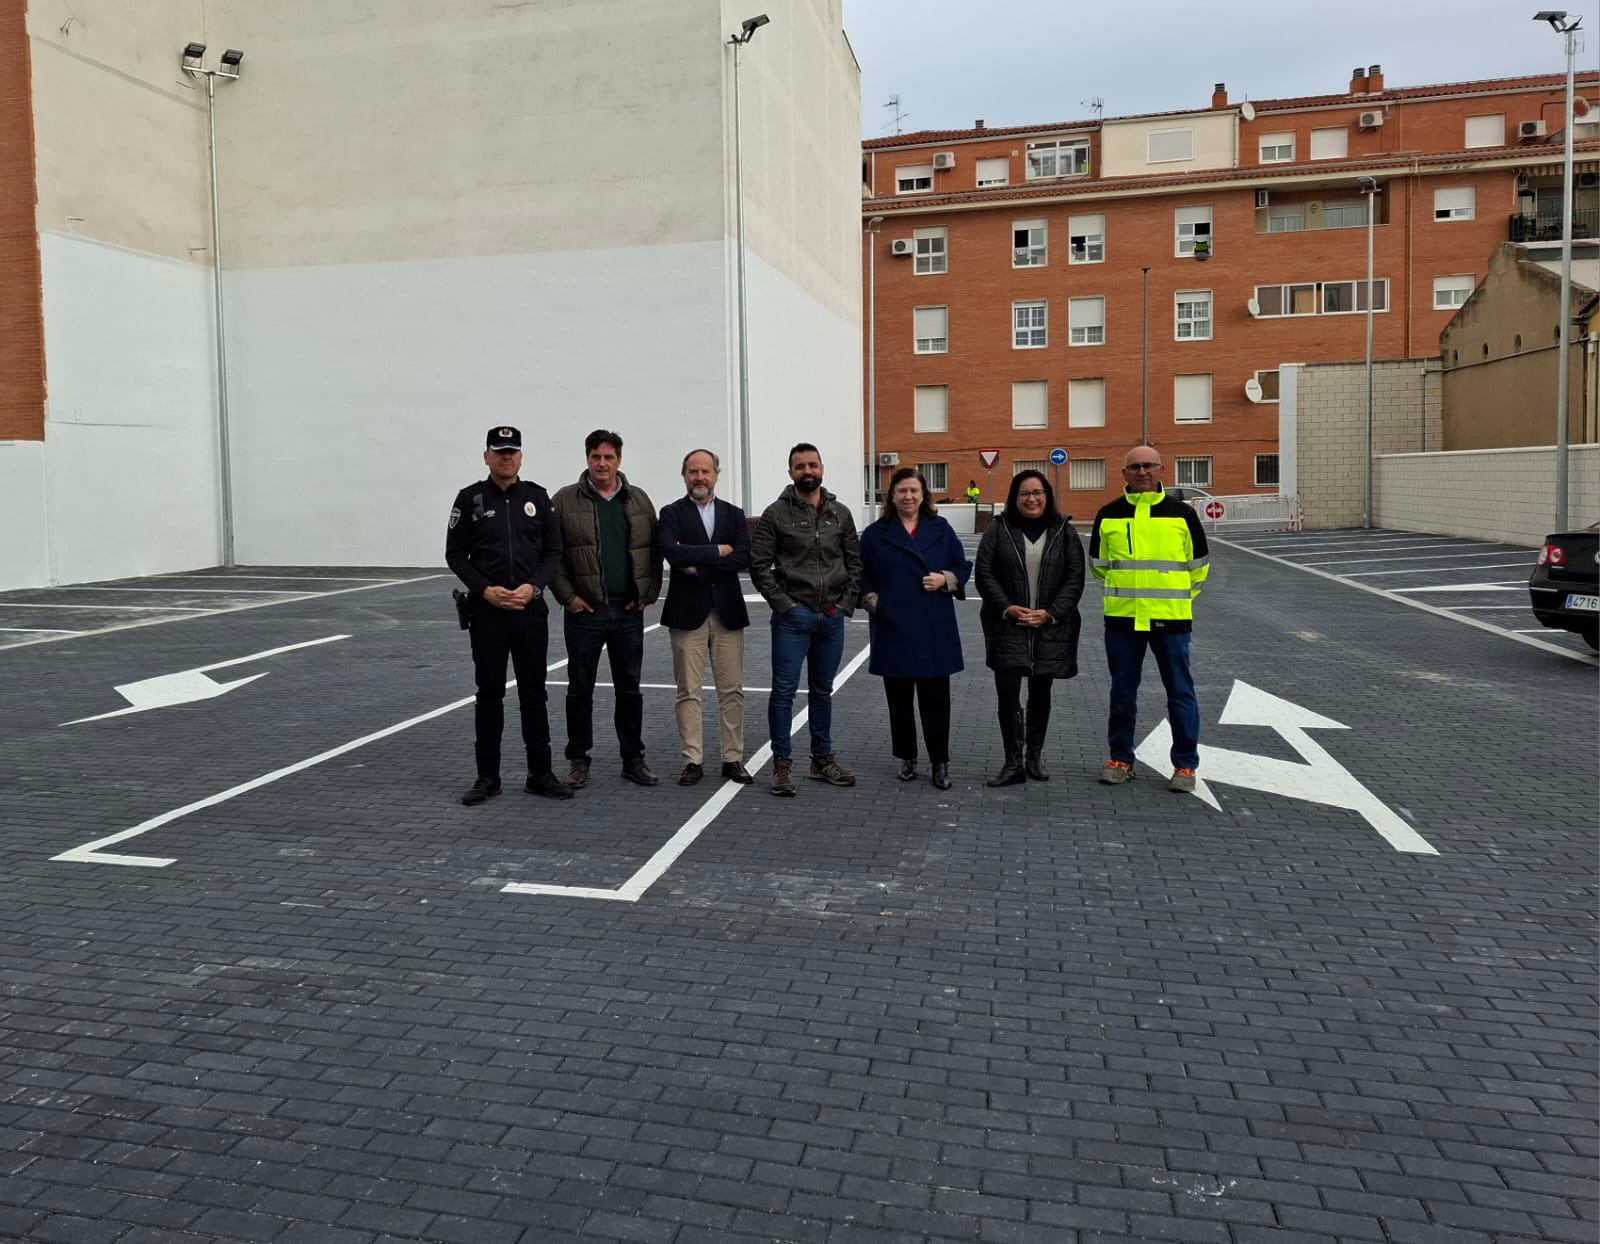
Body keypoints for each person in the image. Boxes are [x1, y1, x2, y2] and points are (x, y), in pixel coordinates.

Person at [445, 425, 575, 805]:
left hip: (529, 612)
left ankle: (540, 774)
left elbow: (554, 551)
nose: (506, 457)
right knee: (489, 696)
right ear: (486, 456)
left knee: (534, 695)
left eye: (512, 451)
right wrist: (484, 590)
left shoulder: (537, 498)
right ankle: (488, 777)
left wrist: (532, 588)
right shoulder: (469, 499)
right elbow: (454, 554)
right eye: (499, 451)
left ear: (521, 456)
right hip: (488, 614)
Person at [1089, 445, 1210, 793]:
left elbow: (1199, 567)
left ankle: (1185, 766)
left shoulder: (1182, 514)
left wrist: (1178, 600)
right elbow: (1098, 566)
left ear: (1161, 470)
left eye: (1149, 466)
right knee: (1122, 693)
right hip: (1124, 620)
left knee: (1180, 694)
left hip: (1170, 621)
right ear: (1124, 473)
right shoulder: (1108, 513)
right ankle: (1120, 759)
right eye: (1135, 467)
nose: (1142, 472)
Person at [550, 429, 662, 788]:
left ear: (619, 460)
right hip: (585, 613)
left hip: (628, 612)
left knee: (629, 689)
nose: (602, 463)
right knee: (579, 690)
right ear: (587, 459)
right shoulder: (565, 500)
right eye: (596, 456)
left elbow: (654, 553)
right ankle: (579, 760)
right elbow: (552, 555)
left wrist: (648, 593)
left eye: (609, 457)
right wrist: (569, 597)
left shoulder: (639, 500)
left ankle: (633, 759)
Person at [750, 442, 863, 797]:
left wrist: (844, 605)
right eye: (799, 466)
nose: (807, 471)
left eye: (812, 464)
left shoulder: (840, 513)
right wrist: (785, 605)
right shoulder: (775, 514)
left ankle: (821, 759)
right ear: (790, 473)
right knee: (783, 693)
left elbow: (854, 563)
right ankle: (782, 765)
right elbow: (759, 566)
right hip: (792, 619)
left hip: (830, 617)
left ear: (822, 469)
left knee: (822, 691)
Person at [859, 467, 971, 790]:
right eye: (902, 491)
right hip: (894, 624)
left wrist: (945, 579)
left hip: (934, 623)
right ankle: (907, 757)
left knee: (937, 700)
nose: (908, 496)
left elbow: (963, 566)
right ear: (891, 496)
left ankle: (940, 762)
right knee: (899, 700)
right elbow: (861, 575)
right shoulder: (875, 534)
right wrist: (874, 601)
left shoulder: (941, 528)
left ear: (924, 495)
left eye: (914, 491)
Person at [973, 470, 1085, 786]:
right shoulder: (998, 530)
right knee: (1007, 695)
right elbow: (984, 574)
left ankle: (1033, 758)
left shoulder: (1064, 532)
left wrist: (1050, 614)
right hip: (1007, 626)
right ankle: (1013, 763)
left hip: (1048, 628)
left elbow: (1075, 579)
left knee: (1041, 693)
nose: (1031, 499)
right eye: (1024, 493)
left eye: (1037, 492)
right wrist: (1007, 608)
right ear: (1014, 497)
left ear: (1047, 496)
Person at [657, 448, 754, 786]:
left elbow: (743, 556)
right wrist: (716, 551)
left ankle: (733, 758)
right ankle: (693, 760)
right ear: (684, 475)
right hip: (687, 615)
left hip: (727, 613)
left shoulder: (734, 514)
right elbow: (672, 551)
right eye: (693, 471)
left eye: (705, 471)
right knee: (688, 691)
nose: (699, 477)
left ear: (716, 474)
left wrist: (697, 566)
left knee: (732, 690)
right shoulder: (670, 514)